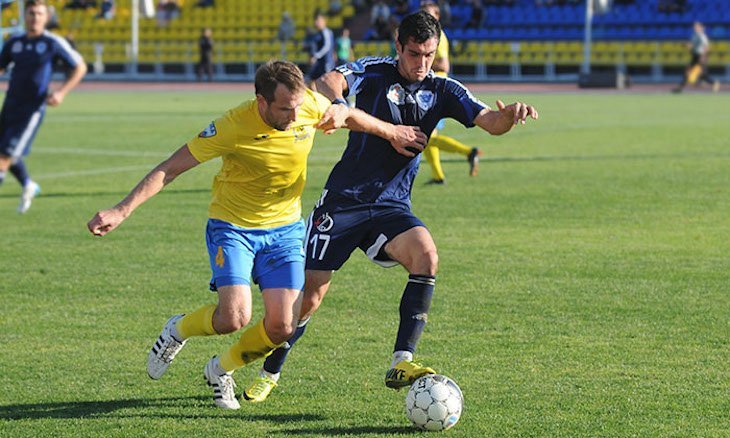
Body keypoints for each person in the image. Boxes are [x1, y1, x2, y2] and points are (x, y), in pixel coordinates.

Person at [86, 60, 427, 410]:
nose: (295, 116)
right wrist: (121, 210)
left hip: (285, 231)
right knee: (233, 318)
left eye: (297, 107)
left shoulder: (305, 104)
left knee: (282, 328)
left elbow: (350, 117)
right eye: (284, 109)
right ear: (261, 102)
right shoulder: (231, 126)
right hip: (233, 228)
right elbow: (170, 169)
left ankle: (221, 370)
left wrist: (390, 131)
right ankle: (179, 330)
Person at [242, 10, 538, 403]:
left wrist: (509, 115)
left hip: (391, 206)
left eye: (429, 54)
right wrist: (342, 104)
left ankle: (403, 359)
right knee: (310, 297)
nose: (422, 64)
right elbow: (327, 80)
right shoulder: (374, 70)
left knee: (427, 256)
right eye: (414, 54)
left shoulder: (444, 88)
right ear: (398, 47)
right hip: (344, 202)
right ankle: (270, 372)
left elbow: (489, 121)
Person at [0, 0, 87, 213]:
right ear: (25, 16)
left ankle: (27, 185)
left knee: (3, 157)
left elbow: (80, 67)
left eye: (39, 14)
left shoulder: (52, 43)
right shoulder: (14, 41)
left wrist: (61, 92)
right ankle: (28, 185)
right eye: (31, 13)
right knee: (7, 152)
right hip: (10, 104)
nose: (35, 17)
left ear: (46, 17)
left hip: (31, 110)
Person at [421, 1, 481, 185]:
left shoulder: (438, 37)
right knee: (427, 137)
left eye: (429, 14)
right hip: (428, 89)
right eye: (423, 14)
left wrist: (421, 64)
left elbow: (444, 65)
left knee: (425, 137)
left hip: (436, 90)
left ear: (437, 16)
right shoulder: (428, 35)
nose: (425, 18)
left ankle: (469, 152)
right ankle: (438, 176)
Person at [672, 21, 720, 94]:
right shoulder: (695, 35)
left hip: (700, 56)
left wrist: (703, 57)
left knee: (702, 74)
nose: (695, 28)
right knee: (688, 71)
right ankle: (680, 88)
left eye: (697, 26)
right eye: (694, 26)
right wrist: (687, 46)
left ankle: (714, 83)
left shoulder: (702, 36)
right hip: (695, 56)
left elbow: (706, 48)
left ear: (701, 28)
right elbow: (693, 46)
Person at [307, 12, 335, 85]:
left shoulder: (326, 32)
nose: (316, 22)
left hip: (326, 62)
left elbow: (327, 46)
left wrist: (316, 56)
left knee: (327, 83)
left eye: (318, 20)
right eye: (315, 20)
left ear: (323, 21)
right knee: (310, 80)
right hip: (319, 63)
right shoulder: (318, 33)